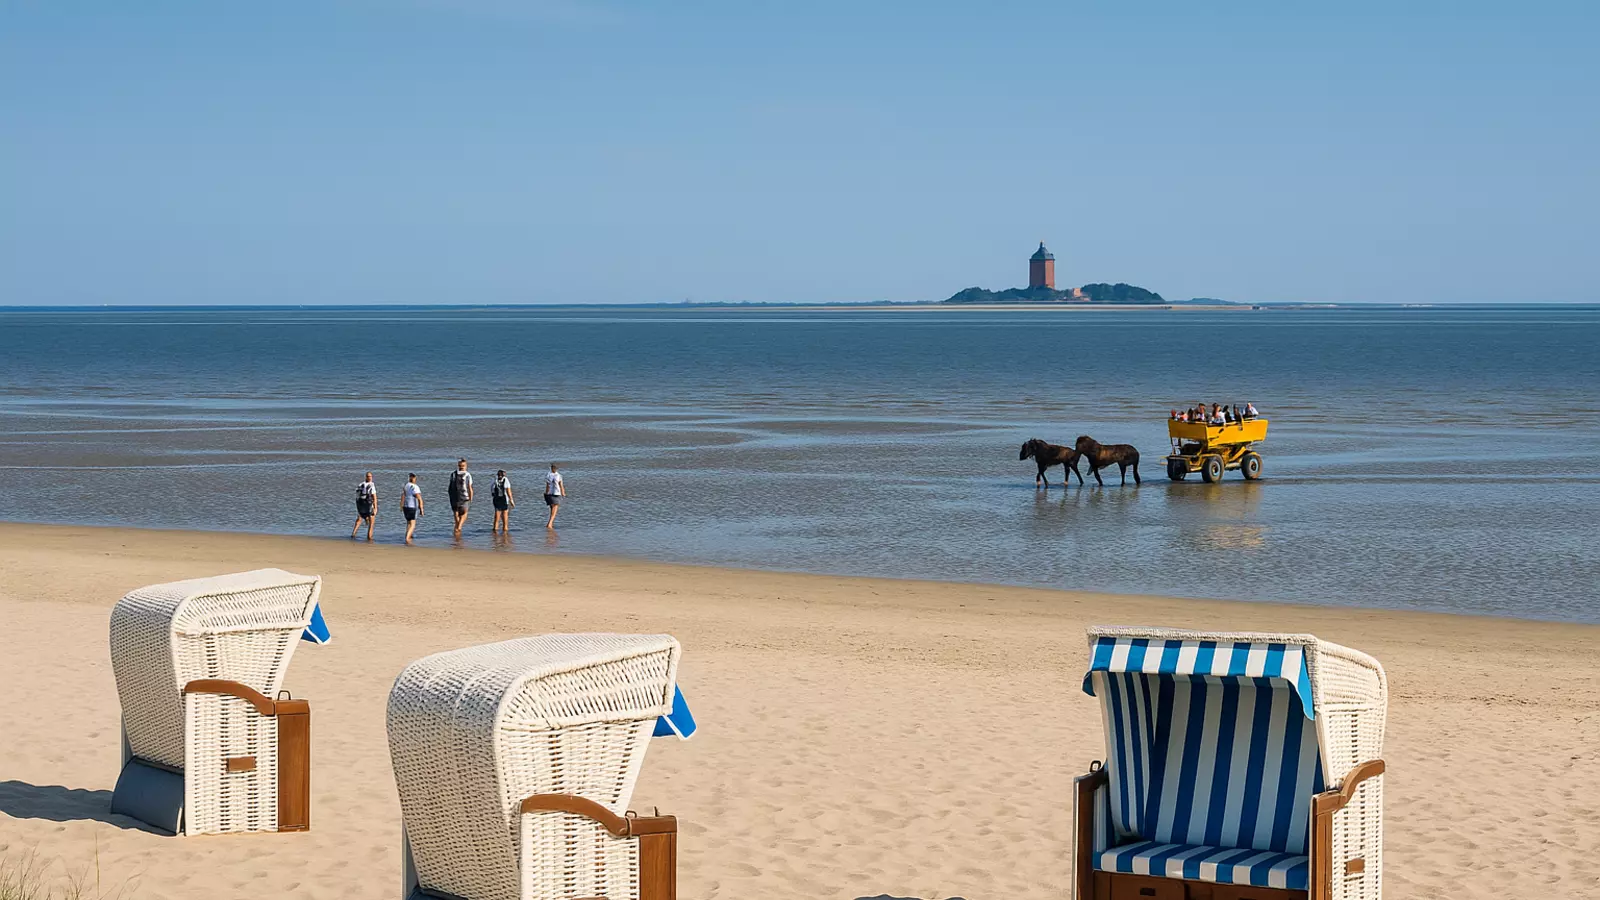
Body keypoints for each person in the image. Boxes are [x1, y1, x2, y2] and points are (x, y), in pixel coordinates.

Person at [448, 458, 473, 538]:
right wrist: (471, 498)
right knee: (464, 514)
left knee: (456, 514)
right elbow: (469, 488)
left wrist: (451, 497)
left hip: (454, 497)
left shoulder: (453, 474)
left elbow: (449, 487)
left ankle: (457, 536)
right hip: (464, 497)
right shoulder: (467, 474)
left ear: (458, 466)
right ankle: (459, 527)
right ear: (465, 466)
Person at [351, 471, 377, 541]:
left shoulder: (360, 485)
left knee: (359, 520)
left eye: (370, 476)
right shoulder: (371, 485)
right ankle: (369, 538)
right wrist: (375, 508)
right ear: (366, 477)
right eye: (369, 476)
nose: (370, 478)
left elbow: (357, 497)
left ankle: (353, 535)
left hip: (361, 506)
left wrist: (358, 509)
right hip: (368, 506)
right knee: (371, 523)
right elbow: (374, 497)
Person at [401, 473, 424, 544]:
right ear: (414, 479)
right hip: (412, 507)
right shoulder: (415, 487)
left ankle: (409, 535)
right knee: (413, 524)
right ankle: (407, 539)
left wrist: (401, 505)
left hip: (406, 506)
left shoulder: (406, 485)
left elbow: (403, 495)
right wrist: (421, 509)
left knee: (408, 523)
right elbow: (419, 498)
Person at [491, 469, 515, 534]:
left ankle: (494, 534)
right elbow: (508, 491)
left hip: (496, 500)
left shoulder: (494, 480)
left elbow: (492, 490)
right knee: (505, 518)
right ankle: (505, 533)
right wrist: (511, 501)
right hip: (504, 500)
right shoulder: (506, 480)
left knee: (497, 518)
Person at [543, 463, 566, 530]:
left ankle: (550, 524)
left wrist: (546, 493)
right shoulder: (559, 476)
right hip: (556, 493)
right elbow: (561, 485)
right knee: (555, 509)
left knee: (552, 508)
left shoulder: (548, 475)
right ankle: (549, 523)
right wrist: (563, 493)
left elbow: (547, 485)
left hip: (549, 493)